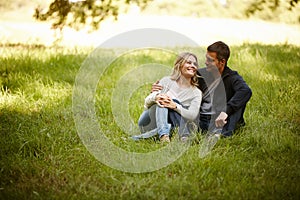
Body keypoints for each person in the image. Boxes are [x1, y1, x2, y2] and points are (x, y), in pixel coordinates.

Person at [152, 41, 252, 137]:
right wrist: (161, 88)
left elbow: (246, 91)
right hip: (199, 120)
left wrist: (225, 112)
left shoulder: (232, 78)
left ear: (222, 62)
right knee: (172, 102)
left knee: (240, 101)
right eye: (206, 58)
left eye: (210, 60)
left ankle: (222, 134)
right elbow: (180, 78)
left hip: (218, 121)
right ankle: (168, 132)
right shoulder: (201, 74)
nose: (206, 62)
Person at [132, 52, 202, 143]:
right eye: (189, 62)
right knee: (163, 99)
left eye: (195, 64)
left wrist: (175, 106)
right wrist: (156, 97)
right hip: (148, 122)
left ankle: (163, 135)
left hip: (172, 124)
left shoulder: (196, 92)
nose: (193, 66)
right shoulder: (166, 81)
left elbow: (192, 115)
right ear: (180, 64)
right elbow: (146, 103)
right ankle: (175, 134)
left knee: (172, 121)